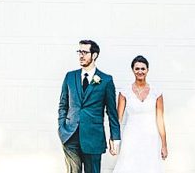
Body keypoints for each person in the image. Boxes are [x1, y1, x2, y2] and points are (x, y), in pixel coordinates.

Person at [57, 40, 121, 173]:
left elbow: (112, 112)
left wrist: (115, 137)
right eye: (79, 52)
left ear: (94, 55)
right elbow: (63, 105)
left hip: (93, 137)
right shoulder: (70, 77)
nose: (81, 55)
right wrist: (61, 128)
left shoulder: (106, 80)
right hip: (70, 135)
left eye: (85, 52)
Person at [113, 55, 167, 173]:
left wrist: (164, 144)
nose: (140, 71)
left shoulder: (156, 92)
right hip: (131, 136)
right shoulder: (125, 91)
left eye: (143, 68)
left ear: (147, 70)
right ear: (133, 70)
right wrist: (114, 140)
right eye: (137, 68)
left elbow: (160, 119)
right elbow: (118, 119)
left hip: (151, 137)